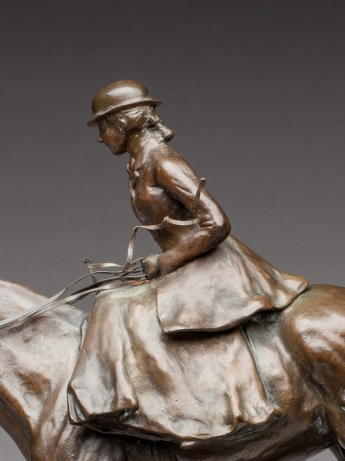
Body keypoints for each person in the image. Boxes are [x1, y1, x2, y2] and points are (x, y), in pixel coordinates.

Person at [68, 80, 308, 442]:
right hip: (184, 262)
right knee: (112, 297)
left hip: (209, 262)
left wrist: (167, 261)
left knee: (111, 305)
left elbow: (218, 223)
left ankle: (122, 404)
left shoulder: (163, 162)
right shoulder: (139, 163)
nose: (101, 138)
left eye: (104, 126)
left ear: (125, 123)